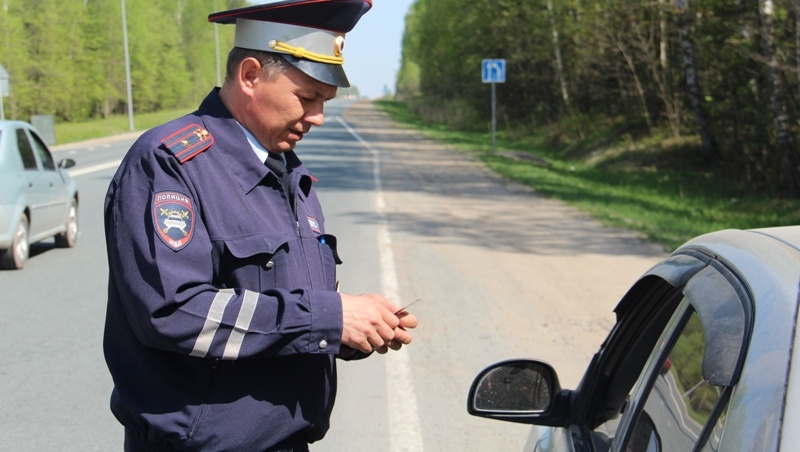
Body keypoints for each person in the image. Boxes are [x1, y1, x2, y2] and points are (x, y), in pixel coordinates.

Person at [102, 1, 418, 450]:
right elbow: (173, 313)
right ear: (250, 75)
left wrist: (352, 329)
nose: (318, 117)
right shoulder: (171, 163)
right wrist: (329, 317)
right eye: (307, 98)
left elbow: (287, 309)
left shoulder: (289, 172)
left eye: (324, 102)